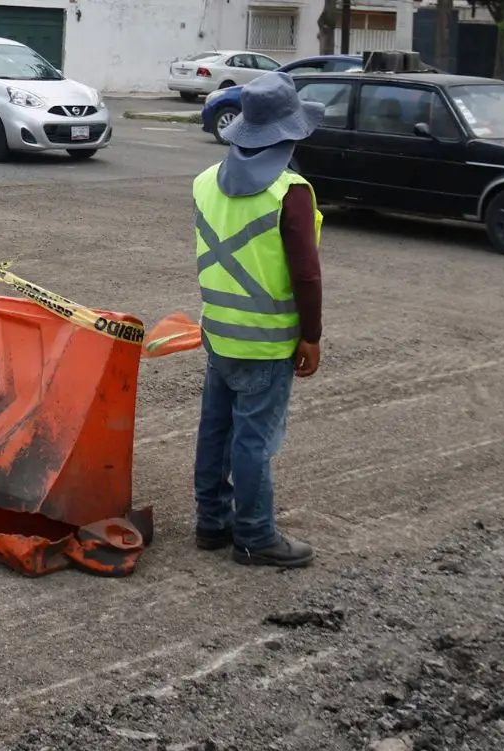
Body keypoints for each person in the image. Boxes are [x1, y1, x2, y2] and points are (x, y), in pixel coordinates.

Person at [191, 71, 325, 569]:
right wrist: (310, 336)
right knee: (253, 441)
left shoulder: (205, 182)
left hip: (219, 333)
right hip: (268, 344)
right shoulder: (291, 192)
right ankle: (254, 535)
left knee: (215, 429)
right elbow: (306, 276)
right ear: (288, 135)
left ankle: (211, 523)